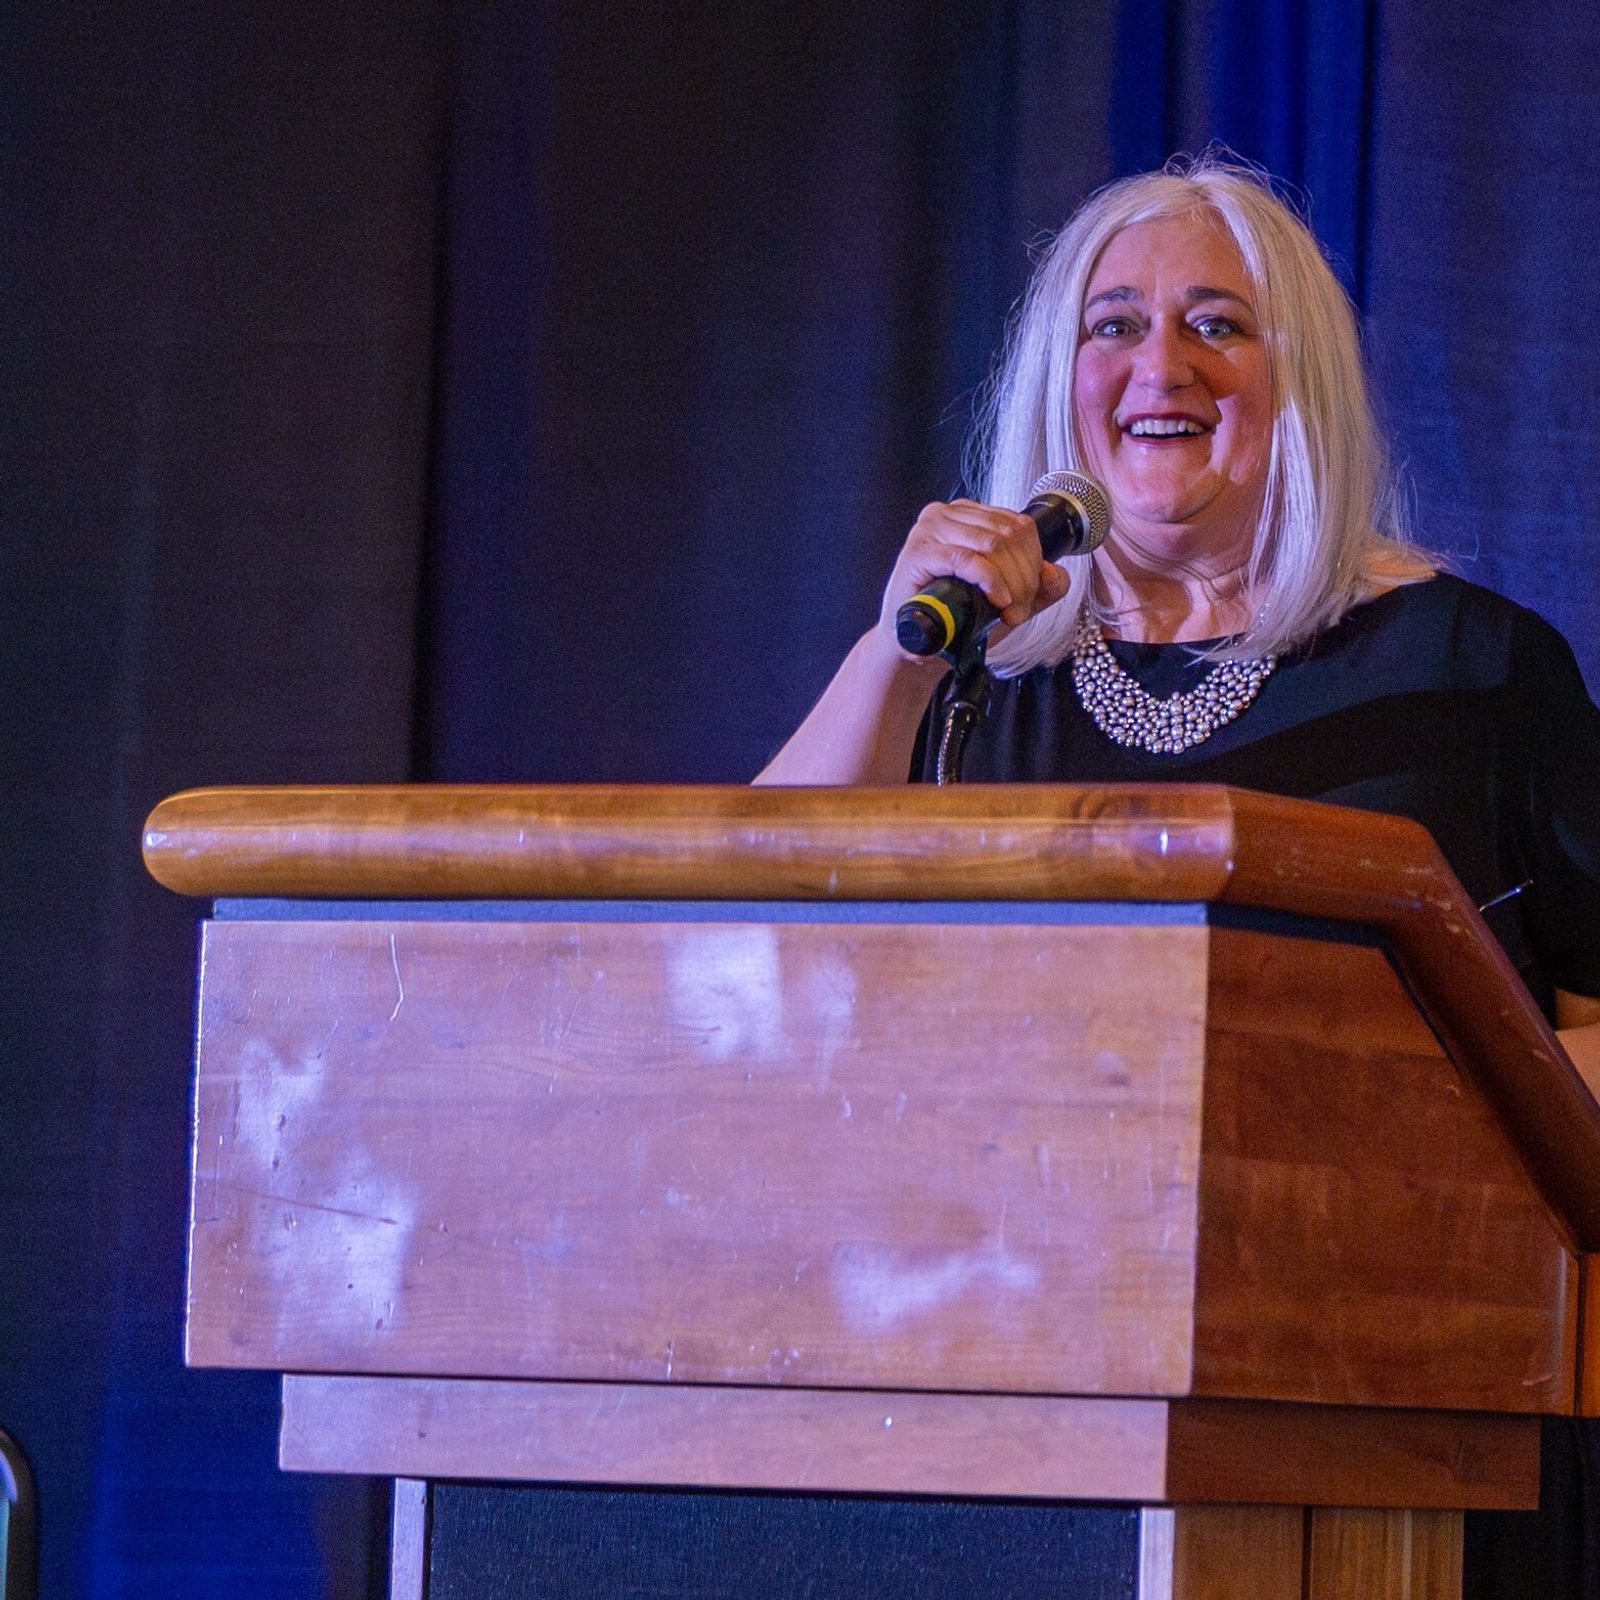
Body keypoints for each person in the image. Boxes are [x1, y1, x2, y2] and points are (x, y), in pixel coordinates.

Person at [755, 157, 1600, 1102]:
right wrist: (898, 660)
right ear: (1059, 379)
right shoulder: (964, 678)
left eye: (1217, 326)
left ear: (1300, 384)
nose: (1161, 367)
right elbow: (746, 958)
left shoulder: (1471, 668)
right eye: (1114, 326)